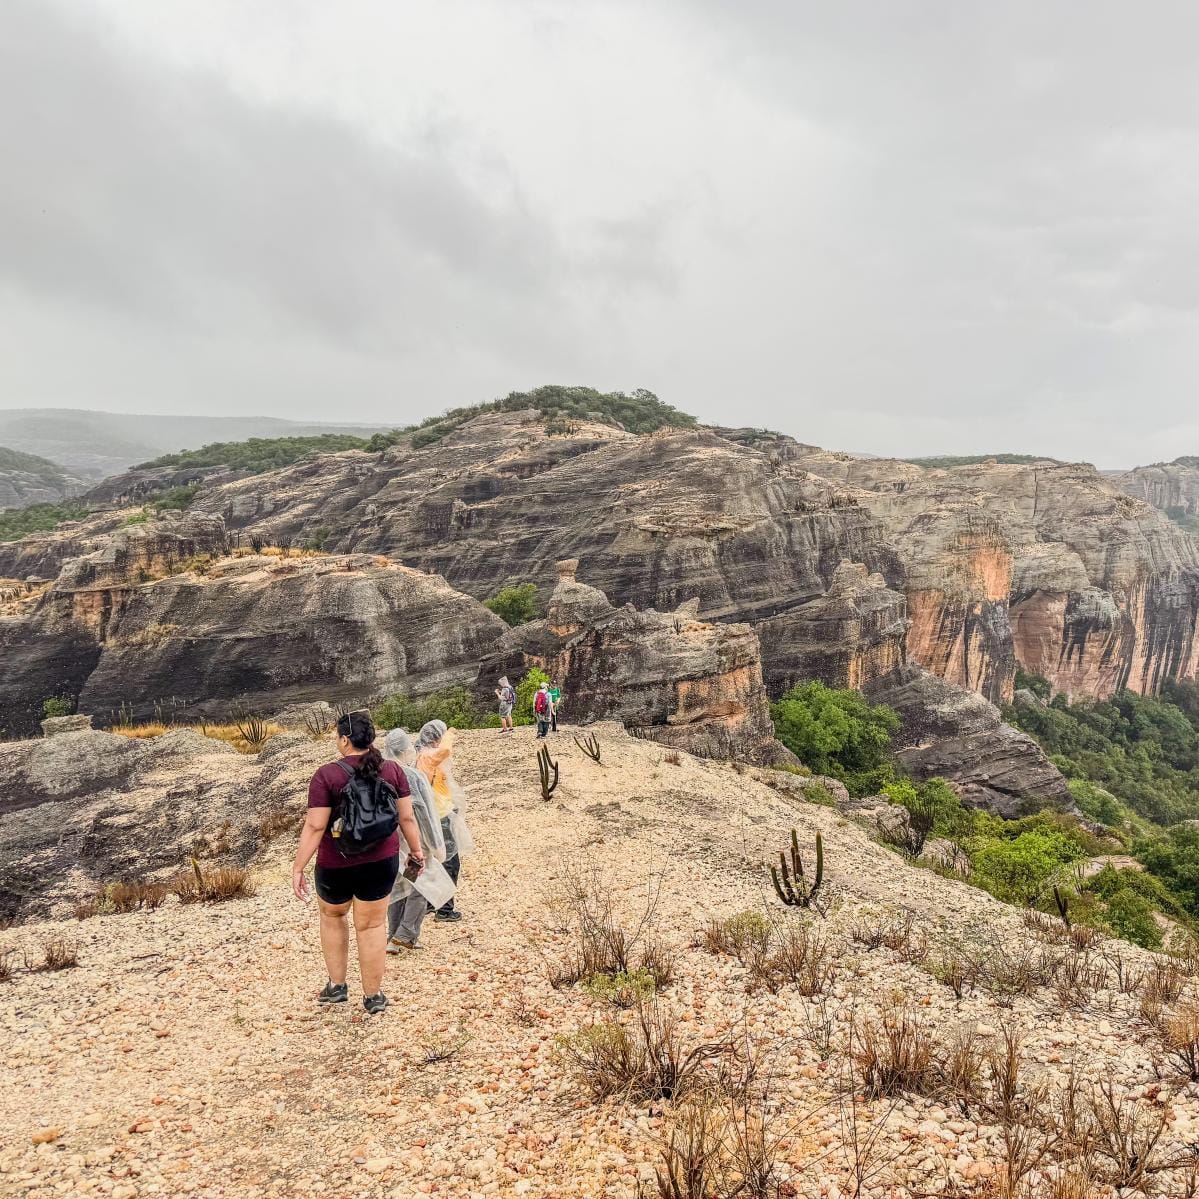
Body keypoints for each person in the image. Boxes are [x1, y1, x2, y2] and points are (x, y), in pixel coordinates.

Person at [292, 710, 424, 1014]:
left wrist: (299, 867)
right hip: (380, 862)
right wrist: (417, 852)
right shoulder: (391, 770)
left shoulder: (326, 775)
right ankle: (373, 996)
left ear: (344, 740)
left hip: (334, 864)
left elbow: (314, 826)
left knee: (333, 918)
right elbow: (407, 817)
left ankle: (337, 987)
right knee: (372, 924)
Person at [382, 728, 448, 952]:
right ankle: (405, 934)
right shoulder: (411, 776)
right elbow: (425, 814)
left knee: (399, 887)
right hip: (414, 843)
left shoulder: (378, 773)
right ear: (405, 750)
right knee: (422, 885)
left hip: (389, 843)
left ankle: (394, 935)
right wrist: (435, 844)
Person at [416, 720, 465, 923]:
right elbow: (445, 750)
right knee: (450, 860)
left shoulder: (422, 756)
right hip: (439, 815)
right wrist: (450, 733)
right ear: (435, 737)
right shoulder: (428, 756)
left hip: (432, 814)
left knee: (427, 858)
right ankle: (445, 908)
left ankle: (423, 902)